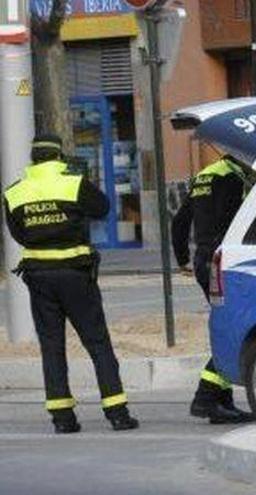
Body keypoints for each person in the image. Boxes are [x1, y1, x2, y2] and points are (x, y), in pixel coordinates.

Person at [3, 135, 139, 434]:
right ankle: (117, 413)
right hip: (76, 275)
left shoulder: (15, 192)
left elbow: (18, 234)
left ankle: (62, 418)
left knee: (52, 347)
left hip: (39, 278)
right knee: (98, 343)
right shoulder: (73, 183)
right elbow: (102, 207)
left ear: (33, 158)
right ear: (59, 156)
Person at [172, 155, 254, 424]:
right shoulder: (233, 178)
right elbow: (235, 219)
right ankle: (205, 397)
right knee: (234, 331)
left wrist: (182, 257)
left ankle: (222, 400)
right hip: (223, 261)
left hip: (203, 259)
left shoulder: (205, 175)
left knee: (226, 327)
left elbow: (180, 221)